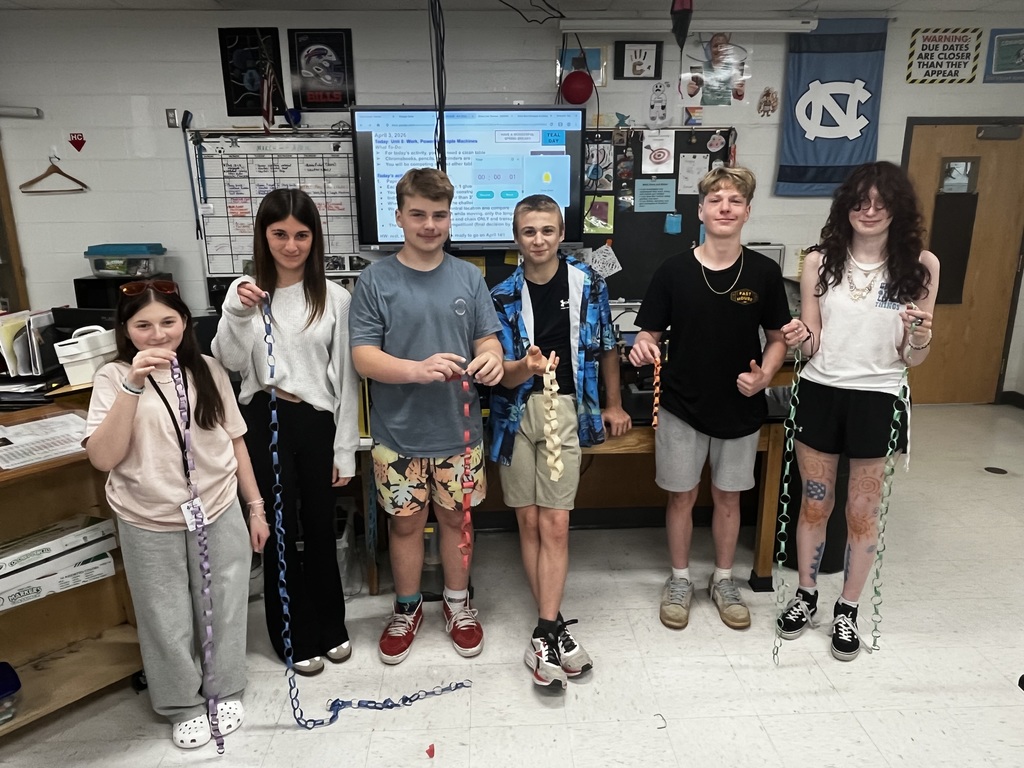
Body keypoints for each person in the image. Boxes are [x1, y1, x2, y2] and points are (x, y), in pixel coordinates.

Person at [84, 279, 264, 750]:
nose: (158, 334)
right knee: (165, 613)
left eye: (168, 322)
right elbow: (104, 457)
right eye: (143, 325)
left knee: (223, 601)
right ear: (125, 330)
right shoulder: (111, 377)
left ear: (185, 323)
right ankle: (181, 702)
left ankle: (225, 688)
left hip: (218, 504)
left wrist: (256, 507)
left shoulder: (206, 369)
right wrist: (132, 384)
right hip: (148, 515)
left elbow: (235, 440)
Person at [777, 161, 939, 661]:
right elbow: (812, 342)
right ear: (846, 206)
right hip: (821, 391)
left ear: (897, 209)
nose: (869, 211)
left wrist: (919, 333)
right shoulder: (818, 262)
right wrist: (799, 339)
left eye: (880, 202)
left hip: (880, 396)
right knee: (815, 504)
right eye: (859, 201)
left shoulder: (921, 266)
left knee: (861, 512)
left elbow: (915, 357)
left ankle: (847, 609)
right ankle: (806, 596)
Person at [349, 168, 504, 665]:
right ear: (399, 217)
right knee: (405, 526)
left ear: (450, 219)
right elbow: (363, 357)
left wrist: (493, 357)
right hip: (398, 436)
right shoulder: (375, 281)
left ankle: (458, 606)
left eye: (439, 215)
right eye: (418, 214)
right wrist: (415, 370)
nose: (429, 224)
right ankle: (408, 607)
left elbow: (487, 338)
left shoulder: (469, 277)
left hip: (458, 433)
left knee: (459, 522)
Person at [629, 166, 790, 631]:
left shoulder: (763, 271)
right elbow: (649, 334)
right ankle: (679, 580)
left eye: (734, 201)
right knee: (682, 497)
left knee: (728, 498)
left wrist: (766, 375)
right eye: (716, 200)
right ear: (700, 210)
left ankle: (724, 581)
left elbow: (778, 338)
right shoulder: (674, 270)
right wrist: (644, 346)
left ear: (747, 212)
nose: (725, 207)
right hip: (682, 404)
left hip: (740, 406)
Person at [212, 188, 360, 677]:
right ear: (264, 235)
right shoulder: (246, 294)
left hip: (317, 422)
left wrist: (345, 451)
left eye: (301, 234)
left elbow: (346, 379)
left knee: (319, 526)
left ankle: (331, 626)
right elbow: (231, 364)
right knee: (279, 532)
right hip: (264, 420)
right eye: (280, 234)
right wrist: (236, 310)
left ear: (314, 238)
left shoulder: (335, 298)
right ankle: (290, 635)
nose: (291, 245)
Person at [489, 194, 632, 689]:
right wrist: (521, 367)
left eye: (547, 230)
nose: (539, 240)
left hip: (566, 408)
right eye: (529, 231)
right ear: (516, 237)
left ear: (561, 231)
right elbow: (499, 379)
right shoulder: (502, 293)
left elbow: (608, 346)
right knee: (527, 519)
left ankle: (545, 629)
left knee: (555, 522)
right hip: (514, 414)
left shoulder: (588, 282)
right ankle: (548, 626)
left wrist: (613, 403)